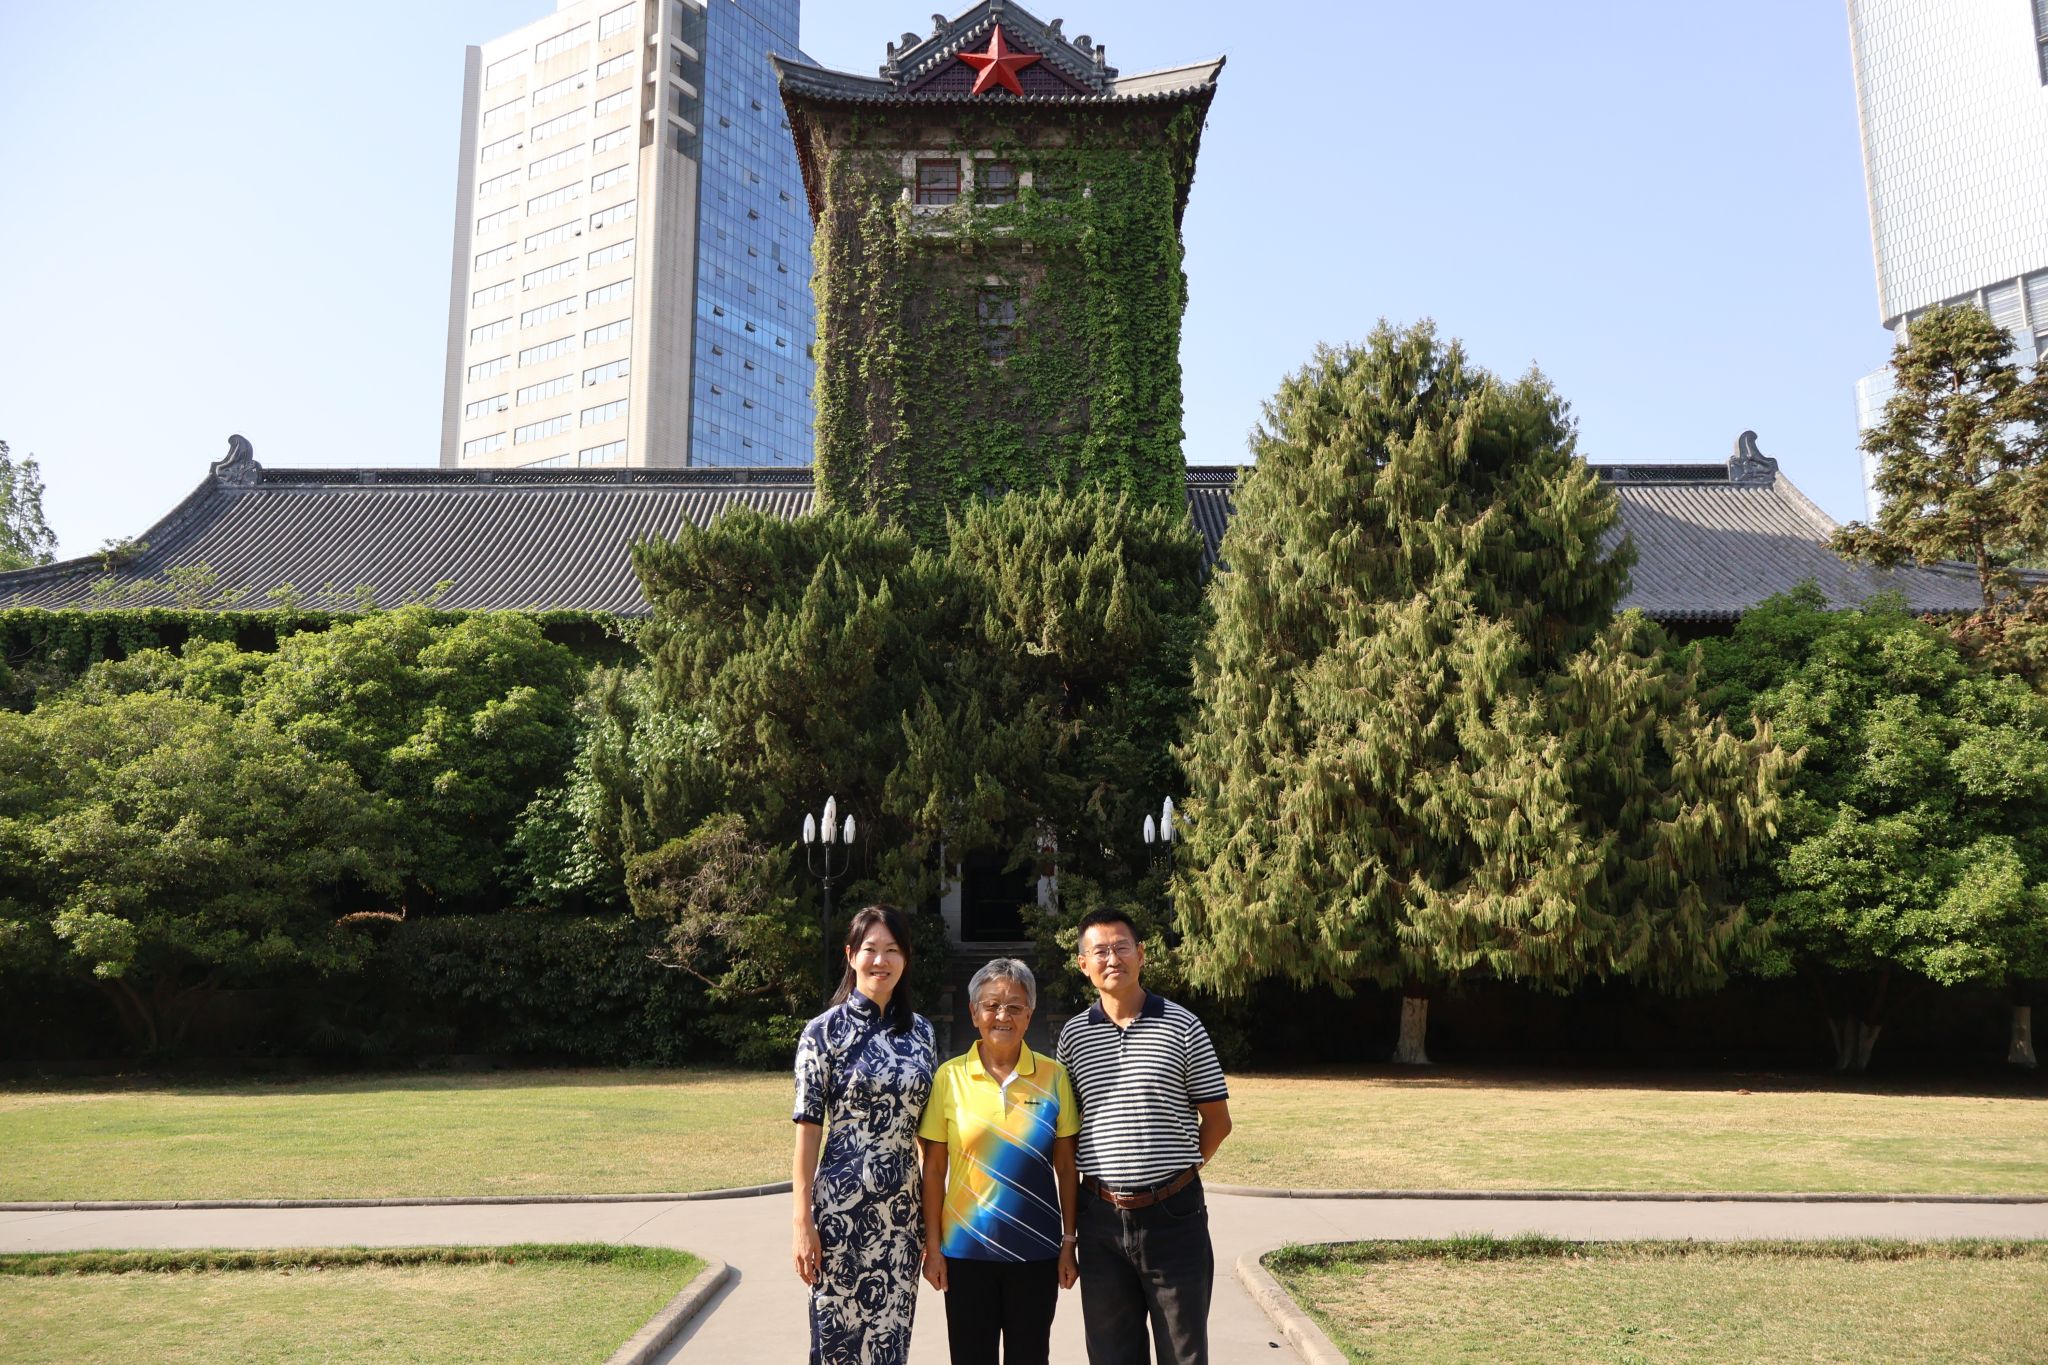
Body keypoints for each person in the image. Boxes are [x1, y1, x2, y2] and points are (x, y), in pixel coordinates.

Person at [1055, 907, 1232, 1365]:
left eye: (1122, 947)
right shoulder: (1073, 1037)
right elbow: (1067, 1136)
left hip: (1174, 1218)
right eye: (1100, 951)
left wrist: (1181, 1174)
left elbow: (1218, 1121)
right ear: (1083, 964)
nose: (1112, 958)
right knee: (1111, 1356)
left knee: (1183, 1354)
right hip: (1100, 1220)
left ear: (1142, 954)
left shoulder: (1183, 1026)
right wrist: (1070, 1236)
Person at [792, 904, 939, 1365]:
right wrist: (801, 1222)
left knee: (890, 1345)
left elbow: (929, 1137)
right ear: (851, 955)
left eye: (892, 950)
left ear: (905, 958)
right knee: (836, 1347)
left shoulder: (922, 1034)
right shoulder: (822, 1033)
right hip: (839, 1217)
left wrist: (930, 1228)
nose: (881, 960)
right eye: (871, 949)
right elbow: (808, 1133)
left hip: (902, 1220)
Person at [917, 958, 1082, 1365]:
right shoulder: (949, 1077)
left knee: (1031, 1357)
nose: (1002, 1016)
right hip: (965, 1252)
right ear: (974, 1013)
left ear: (1029, 1015)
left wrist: (1068, 1243)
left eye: (1014, 1006)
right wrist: (933, 1248)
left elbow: (1066, 1168)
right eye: (991, 1005)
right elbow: (934, 1169)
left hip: (1037, 1252)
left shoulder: (1054, 1076)